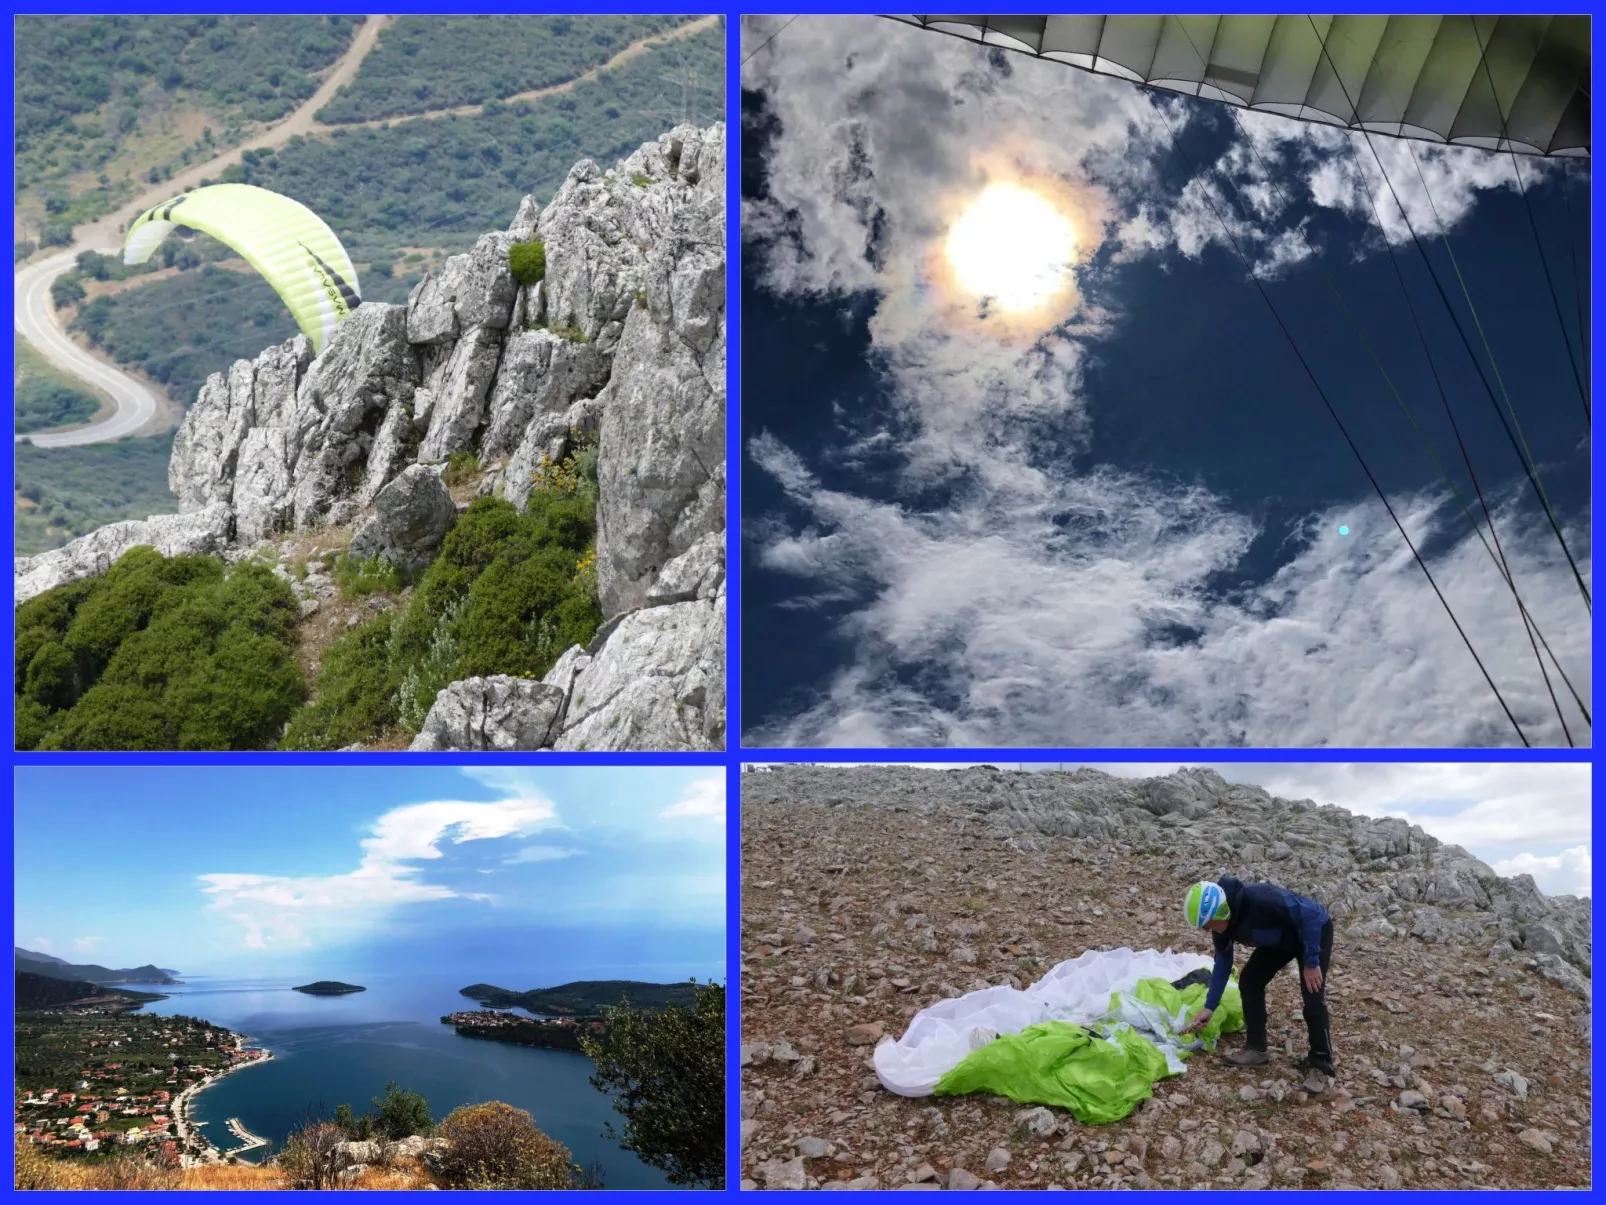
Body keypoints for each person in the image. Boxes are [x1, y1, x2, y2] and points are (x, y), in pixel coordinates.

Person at [1180, 877, 1334, 1076]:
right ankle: (1256, 1049)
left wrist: (1311, 962)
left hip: (1313, 932)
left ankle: (1321, 1063)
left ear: (1219, 912)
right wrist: (1210, 1007)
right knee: (1250, 981)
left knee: (1313, 995)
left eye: (1206, 925)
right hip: (1280, 941)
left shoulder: (1262, 899)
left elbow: (1310, 915)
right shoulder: (1221, 927)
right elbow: (1222, 965)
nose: (1206, 930)